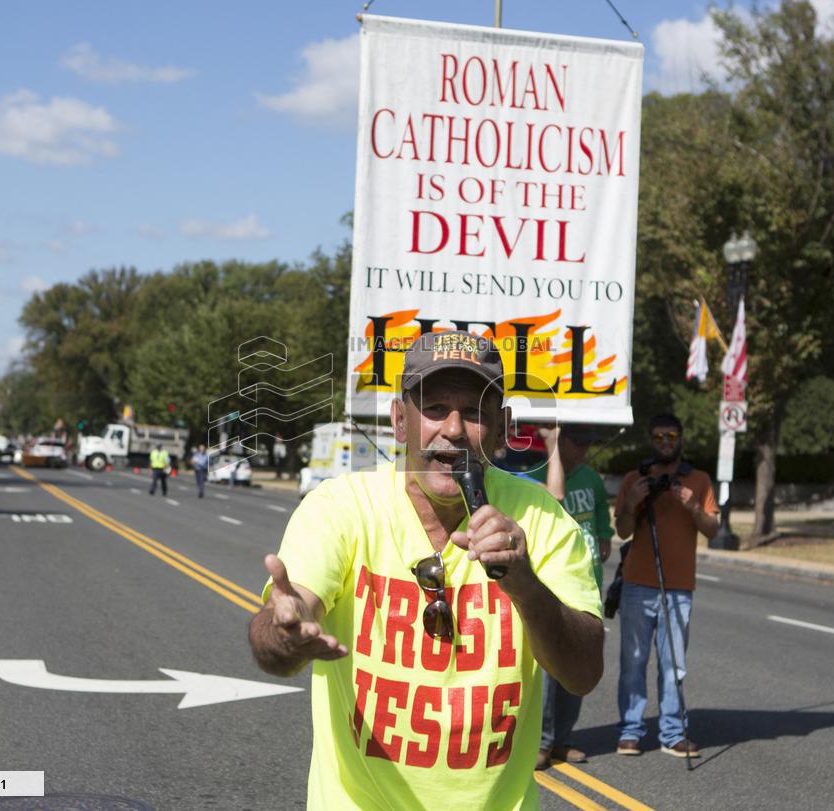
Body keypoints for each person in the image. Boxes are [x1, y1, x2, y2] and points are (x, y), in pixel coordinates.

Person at [248, 330, 604, 810]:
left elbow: (582, 674)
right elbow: (277, 638)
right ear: (400, 421)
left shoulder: (543, 521)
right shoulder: (340, 509)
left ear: (501, 428)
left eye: (475, 413)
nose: (453, 430)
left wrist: (525, 586)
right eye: (434, 408)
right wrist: (285, 631)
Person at [613, 413, 718, 758]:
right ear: (650, 441)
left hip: (678, 586)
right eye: (657, 437)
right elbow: (623, 531)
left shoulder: (699, 481)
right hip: (638, 584)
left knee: (674, 663)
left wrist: (691, 506)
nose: (664, 442)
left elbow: (713, 530)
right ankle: (630, 730)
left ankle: (672, 731)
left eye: (670, 436)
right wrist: (632, 503)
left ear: (681, 439)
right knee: (634, 661)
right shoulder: (634, 478)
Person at [534, 423, 613, 768]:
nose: (583, 447)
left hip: (587, 586)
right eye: (576, 440)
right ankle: (541, 742)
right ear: (559, 437)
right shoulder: (536, 474)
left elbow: (604, 532)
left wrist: (599, 545)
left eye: (588, 441)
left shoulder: (593, 480)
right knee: (549, 673)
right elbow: (556, 500)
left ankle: (563, 740)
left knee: (577, 669)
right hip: (552, 587)